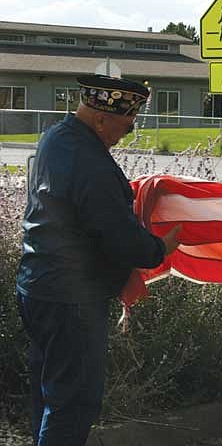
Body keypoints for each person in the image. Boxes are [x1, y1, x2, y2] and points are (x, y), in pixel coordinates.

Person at [16, 74, 182, 446]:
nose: (127, 134)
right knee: (73, 403)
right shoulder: (90, 161)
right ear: (101, 118)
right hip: (71, 297)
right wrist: (159, 249)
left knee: (49, 393)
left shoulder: (55, 139)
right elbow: (116, 235)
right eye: (126, 126)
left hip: (38, 285)